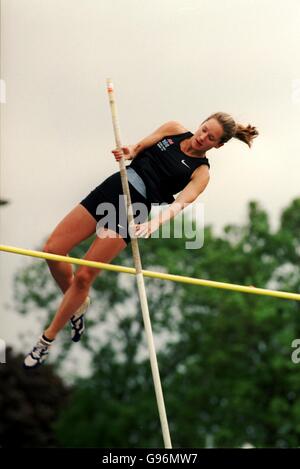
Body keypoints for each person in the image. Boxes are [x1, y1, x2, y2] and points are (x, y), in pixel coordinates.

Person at [23, 112, 258, 368]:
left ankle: (46, 340)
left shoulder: (201, 173)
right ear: (201, 123)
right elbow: (138, 148)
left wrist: (155, 223)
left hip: (133, 210)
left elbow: (180, 204)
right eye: (204, 130)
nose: (202, 138)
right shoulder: (173, 128)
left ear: (219, 145)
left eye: (211, 138)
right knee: (53, 250)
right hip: (112, 188)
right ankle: (77, 304)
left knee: (83, 277)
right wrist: (129, 152)